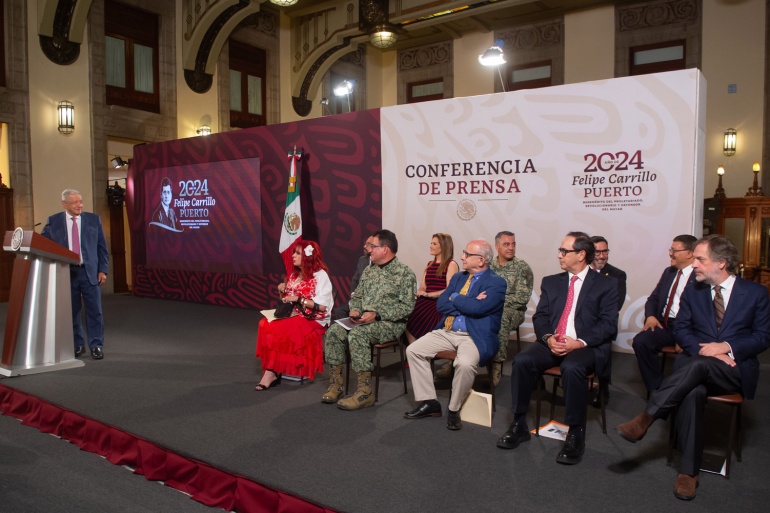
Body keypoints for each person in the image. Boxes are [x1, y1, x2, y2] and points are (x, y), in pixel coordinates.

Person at [615, 235, 770, 501]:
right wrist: (704, 350)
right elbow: (682, 329)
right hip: (696, 364)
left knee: (695, 369)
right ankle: (689, 472)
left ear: (721, 263)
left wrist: (725, 347)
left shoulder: (755, 293)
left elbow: (763, 336)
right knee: (693, 391)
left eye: (700, 259)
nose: (694, 265)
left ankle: (648, 417)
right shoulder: (693, 290)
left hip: (733, 367)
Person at [497, 231, 618, 465]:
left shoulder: (606, 284)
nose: (559, 255)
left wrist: (578, 342)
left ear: (581, 255)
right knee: (522, 361)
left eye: (564, 251)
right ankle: (519, 423)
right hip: (554, 341)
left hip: (586, 345)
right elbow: (541, 316)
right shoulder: (552, 282)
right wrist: (549, 337)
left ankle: (575, 433)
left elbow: (608, 325)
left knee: (573, 367)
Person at [404, 239, 506, 430]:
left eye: (467, 254)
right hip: (448, 330)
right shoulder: (459, 277)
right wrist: (469, 301)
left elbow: (478, 309)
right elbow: (441, 304)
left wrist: (457, 297)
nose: (462, 257)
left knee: (465, 364)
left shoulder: (496, 283)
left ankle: (454, 408)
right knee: (414, 350)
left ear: (482, 260)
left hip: (474, 336)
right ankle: (430, 402)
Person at [322, 229, 416, 410]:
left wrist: (378, 314)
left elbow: (406, 308)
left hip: (389, 324)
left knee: (358, 335)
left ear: (385, 249)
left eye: (373, 246)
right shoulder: (368, 270)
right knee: (333, 331)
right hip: (363, 320)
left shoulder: (405, 273)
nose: (369, 250)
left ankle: (365, 392)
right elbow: (357, 296)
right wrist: (355, 309)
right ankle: (336, 384)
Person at [255, 240, 333, 390]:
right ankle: (275, 367)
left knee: (279, 328)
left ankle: (271, 371)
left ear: (307, 256)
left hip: (313, 318)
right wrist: (282, 291)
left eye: (298, 253)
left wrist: (299, 299)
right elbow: (286, 301)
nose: (293, 256)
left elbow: (323, 307)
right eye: (294, 253)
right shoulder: (294, 274)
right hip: (294, 314)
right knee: (264, 324)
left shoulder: (320, 276)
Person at [41, 189, 109, 359]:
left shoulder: (94, 220)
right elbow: (43, 244)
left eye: (81, 201)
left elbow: (102, 247)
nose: (79, 205)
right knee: (71, 312)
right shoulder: (54, 221)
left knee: (95, 311)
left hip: (90, 272)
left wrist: (103, 270)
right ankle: (78, 345)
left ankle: (96, 345)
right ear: (64, 204)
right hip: (66, 273)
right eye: (75, 202)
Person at [631, 235, 698, 395]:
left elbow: (702, 312)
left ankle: (678, 393)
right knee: (641, 341)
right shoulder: (669, 272)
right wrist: (650, 316)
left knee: (686, 359)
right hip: (666, 324)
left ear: (689, 253)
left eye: (674, 250)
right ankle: (657, 389)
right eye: (670, 249)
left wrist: (685, 336)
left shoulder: (700, 276)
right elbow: (653, 299)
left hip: (689, 327)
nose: (670, 254)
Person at [488, 230, 533, 386]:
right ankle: (459, 361)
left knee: (501, 317)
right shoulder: (489, 265)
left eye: (513, 244)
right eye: (506, 244)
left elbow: (522, 298)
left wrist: (495, 303)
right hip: (489, 307)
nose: (511, 248)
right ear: (497, 246)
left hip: (513, 311)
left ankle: (497, 365)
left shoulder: (521, 267)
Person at [588, 235, 627, 406]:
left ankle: (604, 389)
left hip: (602, 324)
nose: (602, 256)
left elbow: (615, 305)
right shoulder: (577, 273)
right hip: (578, 324)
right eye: (598, 252)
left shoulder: (617, 275)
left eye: (605, 252)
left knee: (603, 345)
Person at [405, 233, 459, 344]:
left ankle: (420, 352)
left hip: (439, 303)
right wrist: (420, 292)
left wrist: (430, 295)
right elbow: (424, 286)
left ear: (443, 246)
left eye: (434, 243)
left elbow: (450, 290)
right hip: (425, 301)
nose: (430, 246)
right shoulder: (429, 264)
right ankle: (413, 349)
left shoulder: (451, 264)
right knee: (405, 313)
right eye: (431, 243)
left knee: (420, 315)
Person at [332, 235, 374, 319]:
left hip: (372, 302)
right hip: (358, 298)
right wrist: (354, 295)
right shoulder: (362, 260)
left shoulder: (382, 264)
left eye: (368, 244)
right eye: (364, 243)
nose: (364, 246)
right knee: (340, 310)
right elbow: (355, 280)